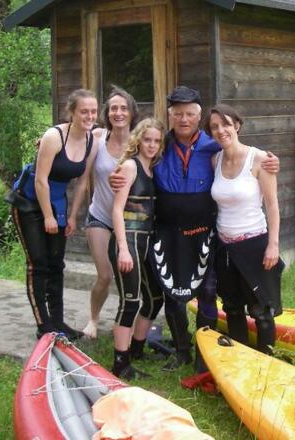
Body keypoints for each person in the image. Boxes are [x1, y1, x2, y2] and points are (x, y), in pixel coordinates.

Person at [110, 86, 279, 371]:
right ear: (170, 115)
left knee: (208, 292)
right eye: (178, 114)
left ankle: (206, 351)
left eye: (190, 114)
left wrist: (271, 160)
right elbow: (130, 162)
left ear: (198, 116)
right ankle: (181, 350)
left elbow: (242, 154)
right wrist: (115, 176)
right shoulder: (159, 146)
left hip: (205, 232)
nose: (184, 119)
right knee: (173, 296)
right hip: (167, 233)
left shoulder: (213, 146)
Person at [11, 88, 99, 340]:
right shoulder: (54, 136)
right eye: (84, 111)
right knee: (38, 264)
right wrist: (48, 216)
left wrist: (71, 216)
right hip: (29, 202)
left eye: (93, 111)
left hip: (57, 203)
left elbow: (82, 183)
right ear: (71, 112)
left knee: (56, 264)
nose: (89, 116)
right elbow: (40, 180)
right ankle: (44, 325)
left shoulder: (92, 138)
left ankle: (58, 321)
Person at [207, 104, 283, 354]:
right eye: (215, 127)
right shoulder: (215, 160)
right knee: (232, 308)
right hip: (225, 246)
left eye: (226, 124)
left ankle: (267, 359)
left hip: (255, 243)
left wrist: (273, 245)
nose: (221, 130)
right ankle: (240, 357)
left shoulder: (260, 159)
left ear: (237, 125)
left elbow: (272, 205)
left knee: (261, 310)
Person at [109, 118, 166, 378]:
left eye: (156, 140)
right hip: (129, 240)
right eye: (147, 139)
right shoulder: (130, 166)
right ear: (138, 140)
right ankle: (120, 363)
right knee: (130, 301)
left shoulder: (153, 168)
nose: (152, 145)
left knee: (154, 299)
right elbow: (117, 210)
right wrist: (122, 248)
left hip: (146, 241)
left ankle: (137, 349)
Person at [82, 86, 139, 339]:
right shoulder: (97, 137)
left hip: (129, 220)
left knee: (128, 275)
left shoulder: (140, 141)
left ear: (131, 112)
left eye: (123, 108)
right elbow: (69, 133)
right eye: (114, 108)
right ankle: (93, 320)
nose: (118, 112)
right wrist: (45, 140)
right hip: (100, 216)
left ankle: (125, 320)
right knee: (104, 274)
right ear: (107, 113)